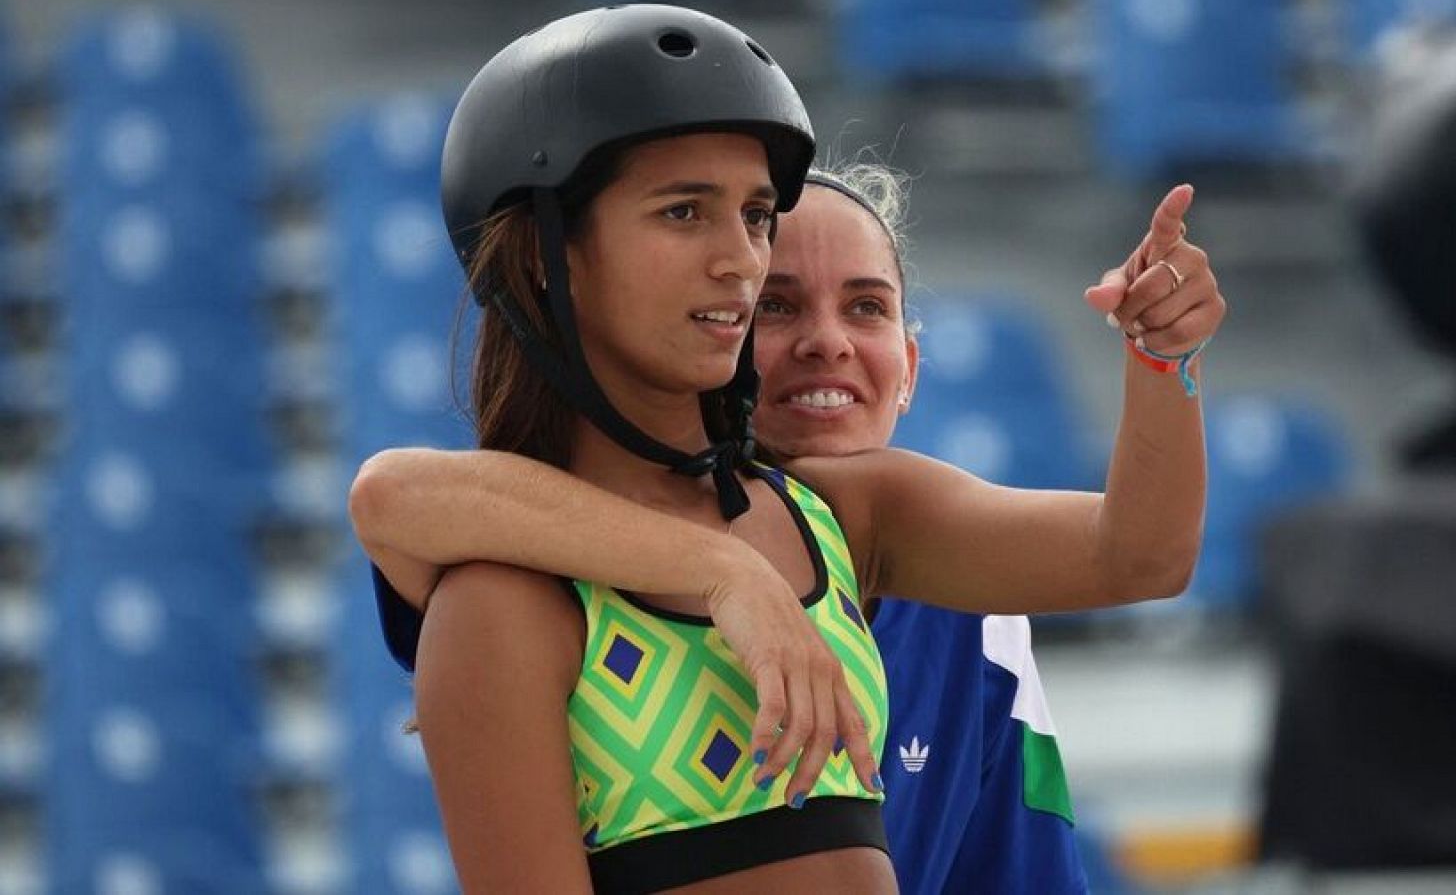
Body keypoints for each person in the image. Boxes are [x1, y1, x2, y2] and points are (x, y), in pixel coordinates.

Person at [349, 4, 1224, 892]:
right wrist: (726, 572)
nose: (741, 259)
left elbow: (1141, 555)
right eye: (684, 211)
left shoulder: (838, 515)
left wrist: (1162, 357)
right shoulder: (499, 604)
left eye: (757, 214)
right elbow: (386, 494)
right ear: (545, 255)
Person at [361, 161, 1093, 892]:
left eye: (867, 307)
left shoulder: (981, 617)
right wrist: (725, 568)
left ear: (909, 369)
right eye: (775, 307)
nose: (827, 342)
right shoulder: (538, 562)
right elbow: (392, 494)